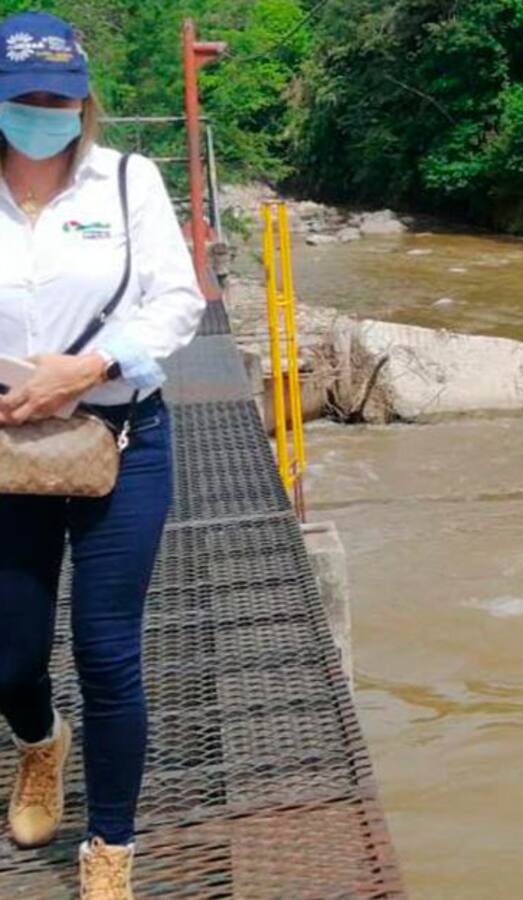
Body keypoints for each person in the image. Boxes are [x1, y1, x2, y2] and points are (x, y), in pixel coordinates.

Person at [0, 11, 205, 899]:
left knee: (106, 650)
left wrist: (92, 364)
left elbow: (179, 302)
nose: (43, 110)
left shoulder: (128, 181)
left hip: (120, 440)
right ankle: (41, 742)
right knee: (9, 654)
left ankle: (109, 849)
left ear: (85, 99)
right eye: (22, 97)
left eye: (58, 95)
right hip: (7, 446)